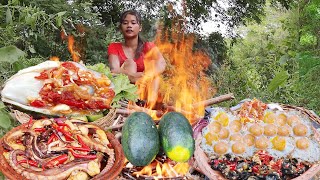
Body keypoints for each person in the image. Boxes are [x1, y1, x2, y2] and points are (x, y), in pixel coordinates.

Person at [107, 10, 166, 106]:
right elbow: (114, 69)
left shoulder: (148, 46)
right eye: (125, 23)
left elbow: (162, 63)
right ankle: (131, 102)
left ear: (140, 27)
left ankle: (151, 103)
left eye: (133, 23)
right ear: (121, 27)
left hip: (146, 88)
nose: (129, 25)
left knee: (153, 66)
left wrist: (146, 76)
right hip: (125, 90)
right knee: (130, 63)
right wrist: (132, 76)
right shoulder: (114, 47)